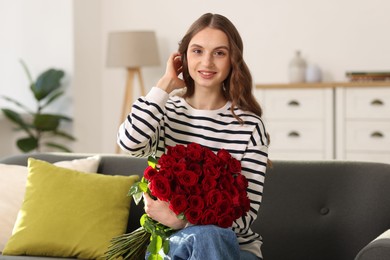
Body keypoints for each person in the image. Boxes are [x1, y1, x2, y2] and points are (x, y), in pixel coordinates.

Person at [117, 13, 269, 260]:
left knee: (207, 236)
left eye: (219, 53)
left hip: (234, 250)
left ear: (233, 60)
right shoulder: (165, 111)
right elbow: (129, 143)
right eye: (197, 51)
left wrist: (182, 221)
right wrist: (165, 84)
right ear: (183, 58)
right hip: (171, 248)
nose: (207, 62)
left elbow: (244, 216)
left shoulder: (249, 126)